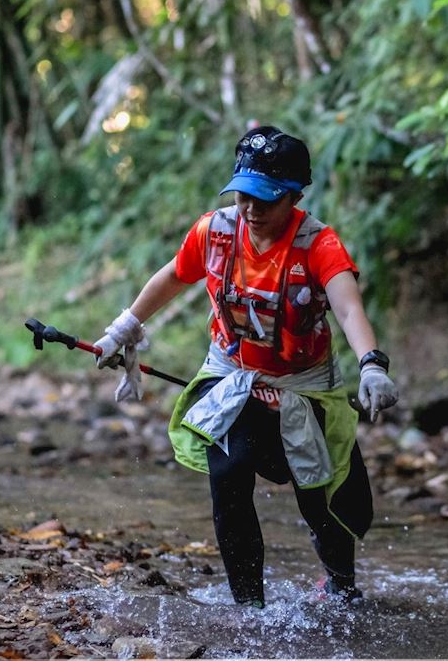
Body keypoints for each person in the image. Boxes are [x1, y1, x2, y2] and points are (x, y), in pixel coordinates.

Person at [91, 125, 399, 608]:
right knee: (228, 477)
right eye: (243, 197)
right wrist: (124, 327)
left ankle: (342, 587)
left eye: (266, 200)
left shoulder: (319, 245)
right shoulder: (215, 232)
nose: (251, 210)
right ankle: (248, 609)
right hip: (233, 375)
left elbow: (348, 307)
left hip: (303, 384)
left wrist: (371, 364)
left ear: (294, 196)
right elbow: (175, 274)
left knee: (318, 494)